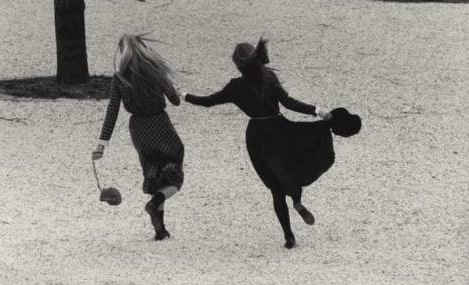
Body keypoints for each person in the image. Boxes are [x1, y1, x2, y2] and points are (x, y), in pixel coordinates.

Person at [184, 38, 361, 249]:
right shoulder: (269, 77)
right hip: (280, 129)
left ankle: (288, 235)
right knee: (293, 168)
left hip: (257, 136)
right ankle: (296, 200)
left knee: (274, 186)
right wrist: (317, 110)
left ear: (238, 65)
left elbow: (207, 102)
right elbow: (288, 103)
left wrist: (184, 95)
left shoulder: (235, 87)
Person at [92, 34, 184, 241]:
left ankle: (160, 230)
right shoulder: (155, 72)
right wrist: (172, 89)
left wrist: (102, 144)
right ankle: (157, 201)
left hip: (140, 130)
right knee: (174, 173)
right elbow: (175, 101)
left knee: (153, 174)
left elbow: (112, 112)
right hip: (160, 124)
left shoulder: (119, 78)